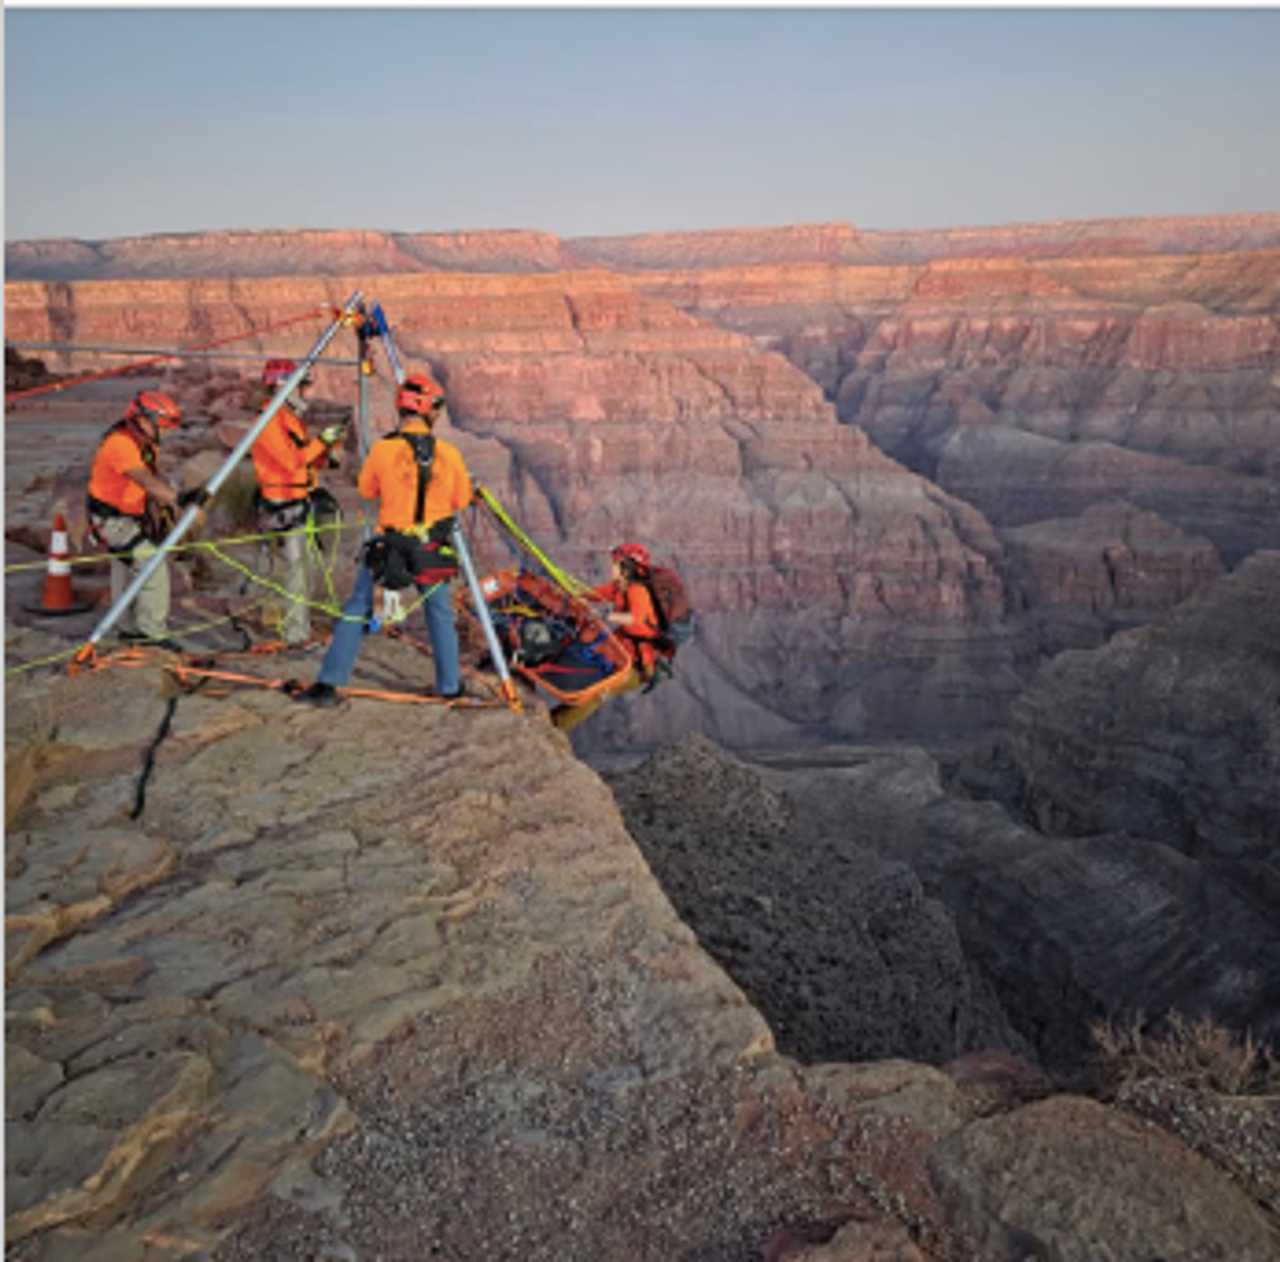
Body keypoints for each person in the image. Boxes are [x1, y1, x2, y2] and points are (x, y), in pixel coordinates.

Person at [294, 371, 472, 707]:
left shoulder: (382, 450)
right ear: (428, 410)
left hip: (389, 546)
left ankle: (329, 685)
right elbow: (461, 500)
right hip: (431, 548)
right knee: (440, 614)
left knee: (357, 607)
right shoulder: (450, 455)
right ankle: (450, 687)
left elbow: (366, 490)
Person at [250, 358, 345, 647]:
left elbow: (304, 456)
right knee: (292, 571)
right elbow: (291, 461)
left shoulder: (289, 419)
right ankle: (295, 634)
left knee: (299, 569)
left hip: (298, 499)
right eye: (301, 387)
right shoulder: (267, 421)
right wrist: (321, 441)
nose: (305, 393)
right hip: (281, 504)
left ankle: (297, 626)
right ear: (285, 387)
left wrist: (326, 451)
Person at [86, 389, 185, 648]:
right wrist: (176, 499)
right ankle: (152, 632)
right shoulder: (120, 444)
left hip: (128, 516)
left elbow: (150, 476)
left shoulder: (143, 442)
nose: (165, 433)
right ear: (143, 419)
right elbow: (142, 478)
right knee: (152, 563)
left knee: (125, 566)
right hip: (112, 519)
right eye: (162, 426)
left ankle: (127, 628)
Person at [551, 542, 662, 733]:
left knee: (598, 690)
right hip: (623, 651)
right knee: (584, 666)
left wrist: (605, 615)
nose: (611, 567)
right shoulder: (619, 587)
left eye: (615, 564)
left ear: (626, 568)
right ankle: (553, 718)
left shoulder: (638, 591)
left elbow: (635, 619)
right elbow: (593, 594)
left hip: (639, 665)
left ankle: (556, 727)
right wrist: (568, 594)